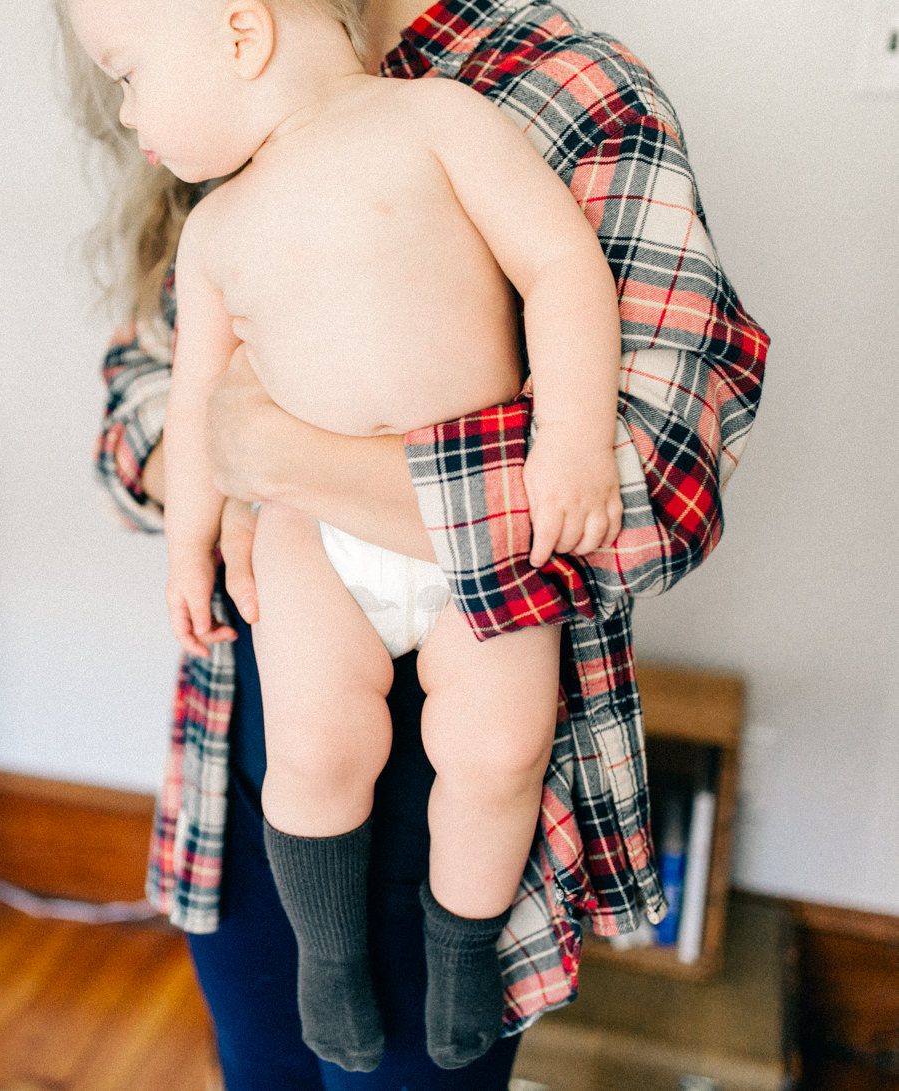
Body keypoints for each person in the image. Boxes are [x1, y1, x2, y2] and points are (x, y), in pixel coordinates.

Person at [62, 0, 772, 1086]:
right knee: (261, 1060)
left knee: (478, 801)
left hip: (447, 754)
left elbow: (654, 480)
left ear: (248, 30)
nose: (127, 109)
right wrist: (217, 477)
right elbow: (146, 402)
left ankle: (458, 952)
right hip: (249, 742)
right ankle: (327, 947)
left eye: (126, 76)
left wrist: (292, 459)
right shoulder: (223, 147)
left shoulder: (531, 89)